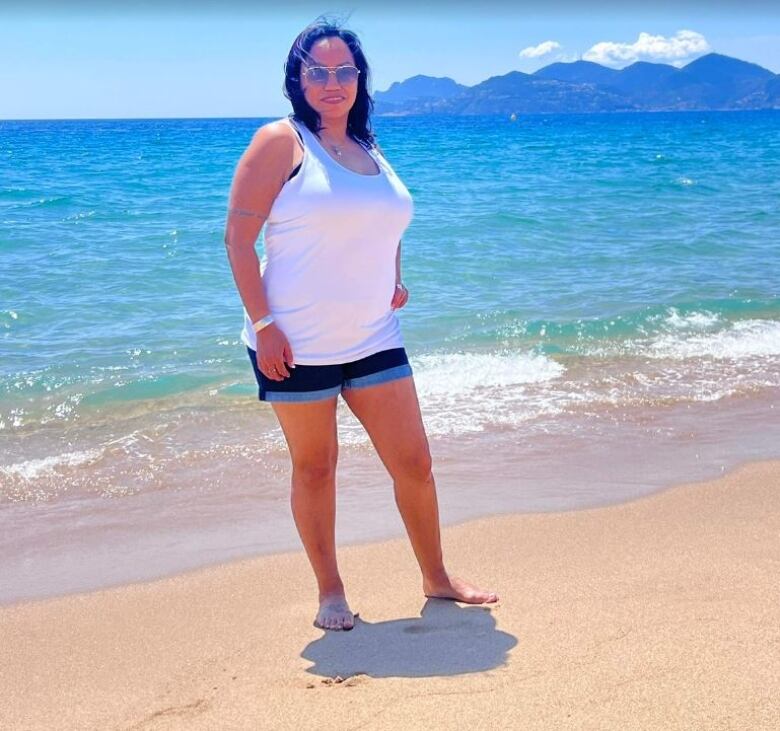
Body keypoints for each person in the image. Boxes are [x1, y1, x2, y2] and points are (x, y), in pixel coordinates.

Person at [223, 18, 498, 632]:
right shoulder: (280, 141)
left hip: (374, 335)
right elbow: (238, 240)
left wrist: (393, 274)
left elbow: (384, 221)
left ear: (359, 79)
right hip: (293, 343)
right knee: (317, 468)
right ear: (297, 79)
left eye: (344, 71)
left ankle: (437, 576)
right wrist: (264, 324)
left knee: (415, 463)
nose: (332, 82)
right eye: (317, 71)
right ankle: (331, 592)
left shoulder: (369, 146)